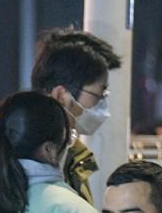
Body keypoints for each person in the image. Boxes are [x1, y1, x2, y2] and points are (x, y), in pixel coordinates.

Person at [28, 28, 118, 202]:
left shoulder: (71, 154)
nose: (102, 106)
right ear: (61, 96)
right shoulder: (33, 161)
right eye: (98, 95)